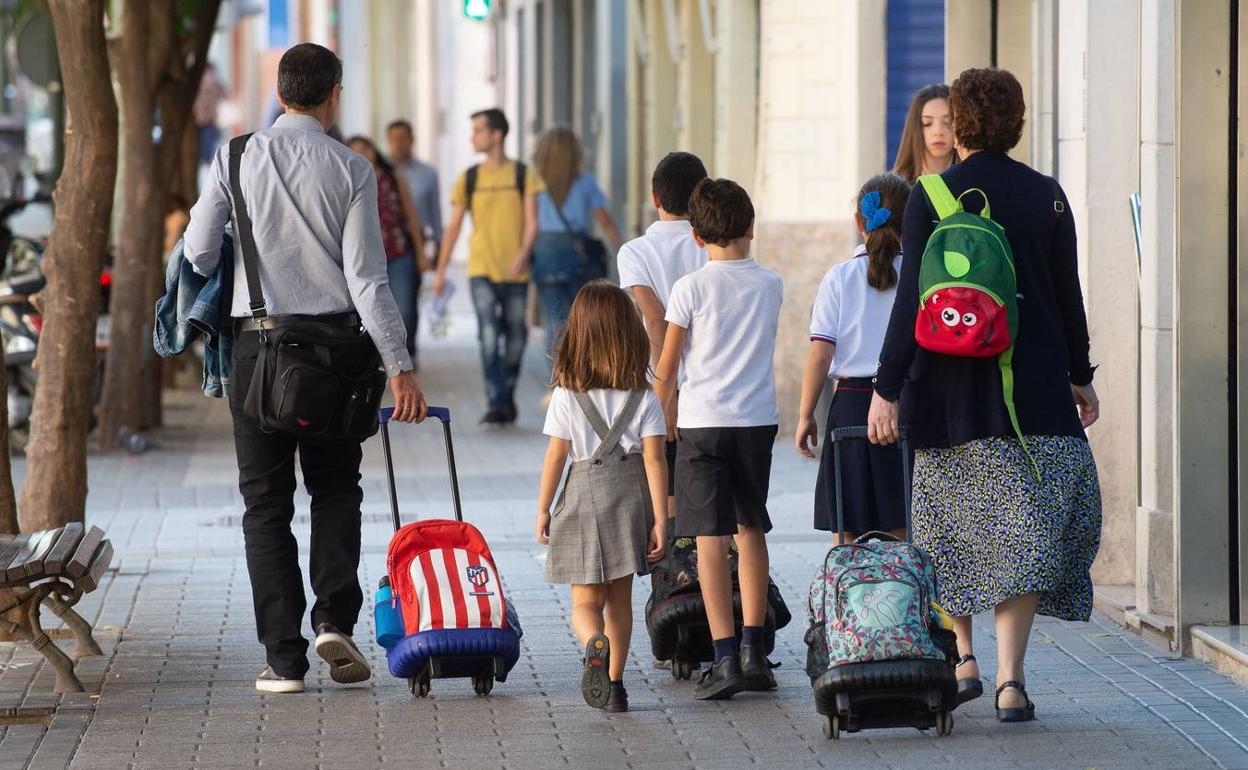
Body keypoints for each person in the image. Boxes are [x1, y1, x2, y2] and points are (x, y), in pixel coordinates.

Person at [182, 43, 427, 694]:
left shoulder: (233, 157)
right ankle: (335, 622)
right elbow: (369, 282)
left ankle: (283, 660)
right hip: (336, 357)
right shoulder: (352, 169)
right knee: (336, 490)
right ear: (332, 95)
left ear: (282, 92)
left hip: (258, 352)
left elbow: (200, 252)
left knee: (265, 506)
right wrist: (399, 367)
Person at [867, 67, 1101, 722]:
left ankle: (964, 656)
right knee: (1022, 537)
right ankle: (1011, 679)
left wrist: (886, 389)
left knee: (951, 530)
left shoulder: (932, 194)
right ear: (1017, 121)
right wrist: (1080, 376)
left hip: (945, 392)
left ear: (961, 124)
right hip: (1030, 392)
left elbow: (912, 299)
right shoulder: (1047, 195)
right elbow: (1066, 299)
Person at [654, 179, 783, 700]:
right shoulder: (770, 283)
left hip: (703, 422)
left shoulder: (690, 288)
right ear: (752, 227)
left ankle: (725, 657)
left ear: (697, 238)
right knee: (751, 530)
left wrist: (661, 416)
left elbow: (667, 368)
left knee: (709, 540)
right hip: (756, 421)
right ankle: (756, 652)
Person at [535, 282, 669, 714]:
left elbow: (556, 457)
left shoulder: (566, 395)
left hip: (581, 495)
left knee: (585, 601)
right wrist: (661, 518)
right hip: (630, 499)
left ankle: (593, 641)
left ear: (578, 335)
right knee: (620, 601)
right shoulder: (644, 397)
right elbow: (655, 461)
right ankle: (614, 687)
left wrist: (543, 509)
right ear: (630, 335)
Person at [795, 173, 911, 543]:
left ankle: (849, 600)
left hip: (849, 406)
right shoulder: (919, 274)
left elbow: (820, 353)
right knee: (903, 526)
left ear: (858, 223)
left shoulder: (839, 277)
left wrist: (805, 415)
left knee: (848, 530)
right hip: (903, 404)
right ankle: (903, 599)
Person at [617, 151, 709, 522]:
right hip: (708, 382)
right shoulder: (710, 245)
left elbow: (655, 321)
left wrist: (663, 391)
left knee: (667, 493)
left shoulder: (635, 251)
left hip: (662, 383)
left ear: (655, 198)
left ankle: (674, 577)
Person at [433, 108, 540, 426]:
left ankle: (505, 394)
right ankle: (497, 402)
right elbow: (453, 227)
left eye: (478, 130)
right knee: (490, 336)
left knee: (517, 337)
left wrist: (524, 251)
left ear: (496, 134)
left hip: (516, 271)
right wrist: (440, 271)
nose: (473, 137)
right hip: (481, 268)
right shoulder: (469, 179)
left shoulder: (523, 175)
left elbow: (533, 222)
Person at [523, 127, 623, 376]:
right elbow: (605, 221)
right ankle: (583, 373)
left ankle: (557, 377)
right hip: (577, 255)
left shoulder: (534, 181)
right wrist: (623, 249)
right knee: (583, 316)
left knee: (555, 318)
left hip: (545, 252)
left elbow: (527, 223)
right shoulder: (585, 181)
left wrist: (522, 254)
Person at [346, 135, 426, 358]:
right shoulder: (346, 177)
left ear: (374, 151)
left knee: (405, 308)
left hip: (397, 251)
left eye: (365, 148)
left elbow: (410, 212)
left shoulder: (392, 176)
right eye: (355, 149)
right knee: (368, 309)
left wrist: (420, 252)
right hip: (364, 256)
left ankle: (404, 353)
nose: (362, 153)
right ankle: (380, 357)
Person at [387, 119, 443, 260]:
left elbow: (434, 211)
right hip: (386, 240)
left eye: (402, 139)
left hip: (417, 242)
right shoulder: (380, 172)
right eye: (393, 139)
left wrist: (438, 243)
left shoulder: (427, 173)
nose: (398, 144)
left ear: (412, 140)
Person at [892, 84, 956, 182]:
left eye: (947, 122)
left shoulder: (971, 180)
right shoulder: (897, 187)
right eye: (927, 123)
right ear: (914, 128)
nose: (938, 132)